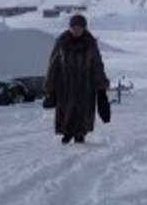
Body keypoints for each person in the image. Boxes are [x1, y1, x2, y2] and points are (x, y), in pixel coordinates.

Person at [46, 14, 109, 145]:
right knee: (66, 108)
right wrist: (50, 88)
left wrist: (102, 87)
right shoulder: (62, 42)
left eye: (79, 28)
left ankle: (80, 134)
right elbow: (53, 65)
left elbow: (97, 65)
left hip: (85, 85)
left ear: (84, 28)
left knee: (82, 110)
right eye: (74, 27)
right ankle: (67, 132)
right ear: (70, 28)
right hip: (65, 84)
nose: (76, 30)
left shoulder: (90, 43)